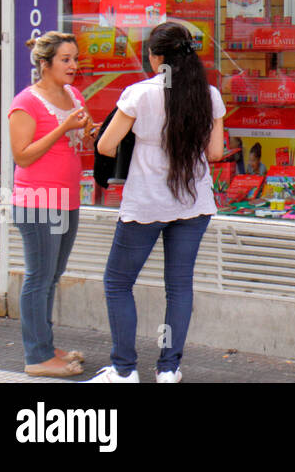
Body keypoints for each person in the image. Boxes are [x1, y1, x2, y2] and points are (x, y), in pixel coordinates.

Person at [87, 22, 226, 383]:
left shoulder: (140, 93)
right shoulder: (208, 94)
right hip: (194, 203)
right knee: (178, 286)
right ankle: (168, 369)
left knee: (118, 282)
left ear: (157, 57)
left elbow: (106, 145)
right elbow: (215, 152)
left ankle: (123, 369)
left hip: (147, 202)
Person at [8, 32, 94, 378]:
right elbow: (22, 155)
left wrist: (87, 130)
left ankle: (44, 344)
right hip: (37, 200)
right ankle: (37, 357)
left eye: (75, 58)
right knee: (39, 277)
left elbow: (75, 140)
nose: (74, 65)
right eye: (65, 59)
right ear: (45, 64)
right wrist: (62, 129)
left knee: (52, 276)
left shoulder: (73, 94)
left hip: (67, 198)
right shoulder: (26, 102)